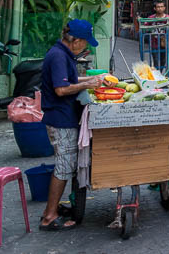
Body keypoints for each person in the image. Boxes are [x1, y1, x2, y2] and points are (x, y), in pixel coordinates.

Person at [39, 20, 108, 231]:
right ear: (75, 40)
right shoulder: (59, 56)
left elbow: (68, 79)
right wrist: (88, 84)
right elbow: (61, 89)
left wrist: (90, 78)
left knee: (65, 164)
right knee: (64, 166)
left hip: (62, 116)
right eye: (85, 42)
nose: (86, 47)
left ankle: (54, 208)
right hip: (60, 119)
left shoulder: (61, 52)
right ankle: (49, 216)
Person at [144, 0, 169, 71]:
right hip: (154, 43)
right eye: (158, 7)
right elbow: (145, 29)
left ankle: (160, 74)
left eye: (161, 7)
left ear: (164, 8)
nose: (160, 8)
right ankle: (157, 75)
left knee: (163, 60)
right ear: (154, 8)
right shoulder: (150, 18)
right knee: (156, 61)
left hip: (164, 43)